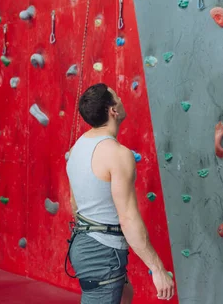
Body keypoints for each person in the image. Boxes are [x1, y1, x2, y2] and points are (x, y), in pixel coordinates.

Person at [65, 83, 175, 303]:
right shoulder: (117, 154)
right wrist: (158, 269)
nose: (122, 100)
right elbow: (128, 218)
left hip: (82, 245)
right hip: (102, 253)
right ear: (113, 110)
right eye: (118, 97)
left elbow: (74, 205)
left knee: (125, 295)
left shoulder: (76, 148)